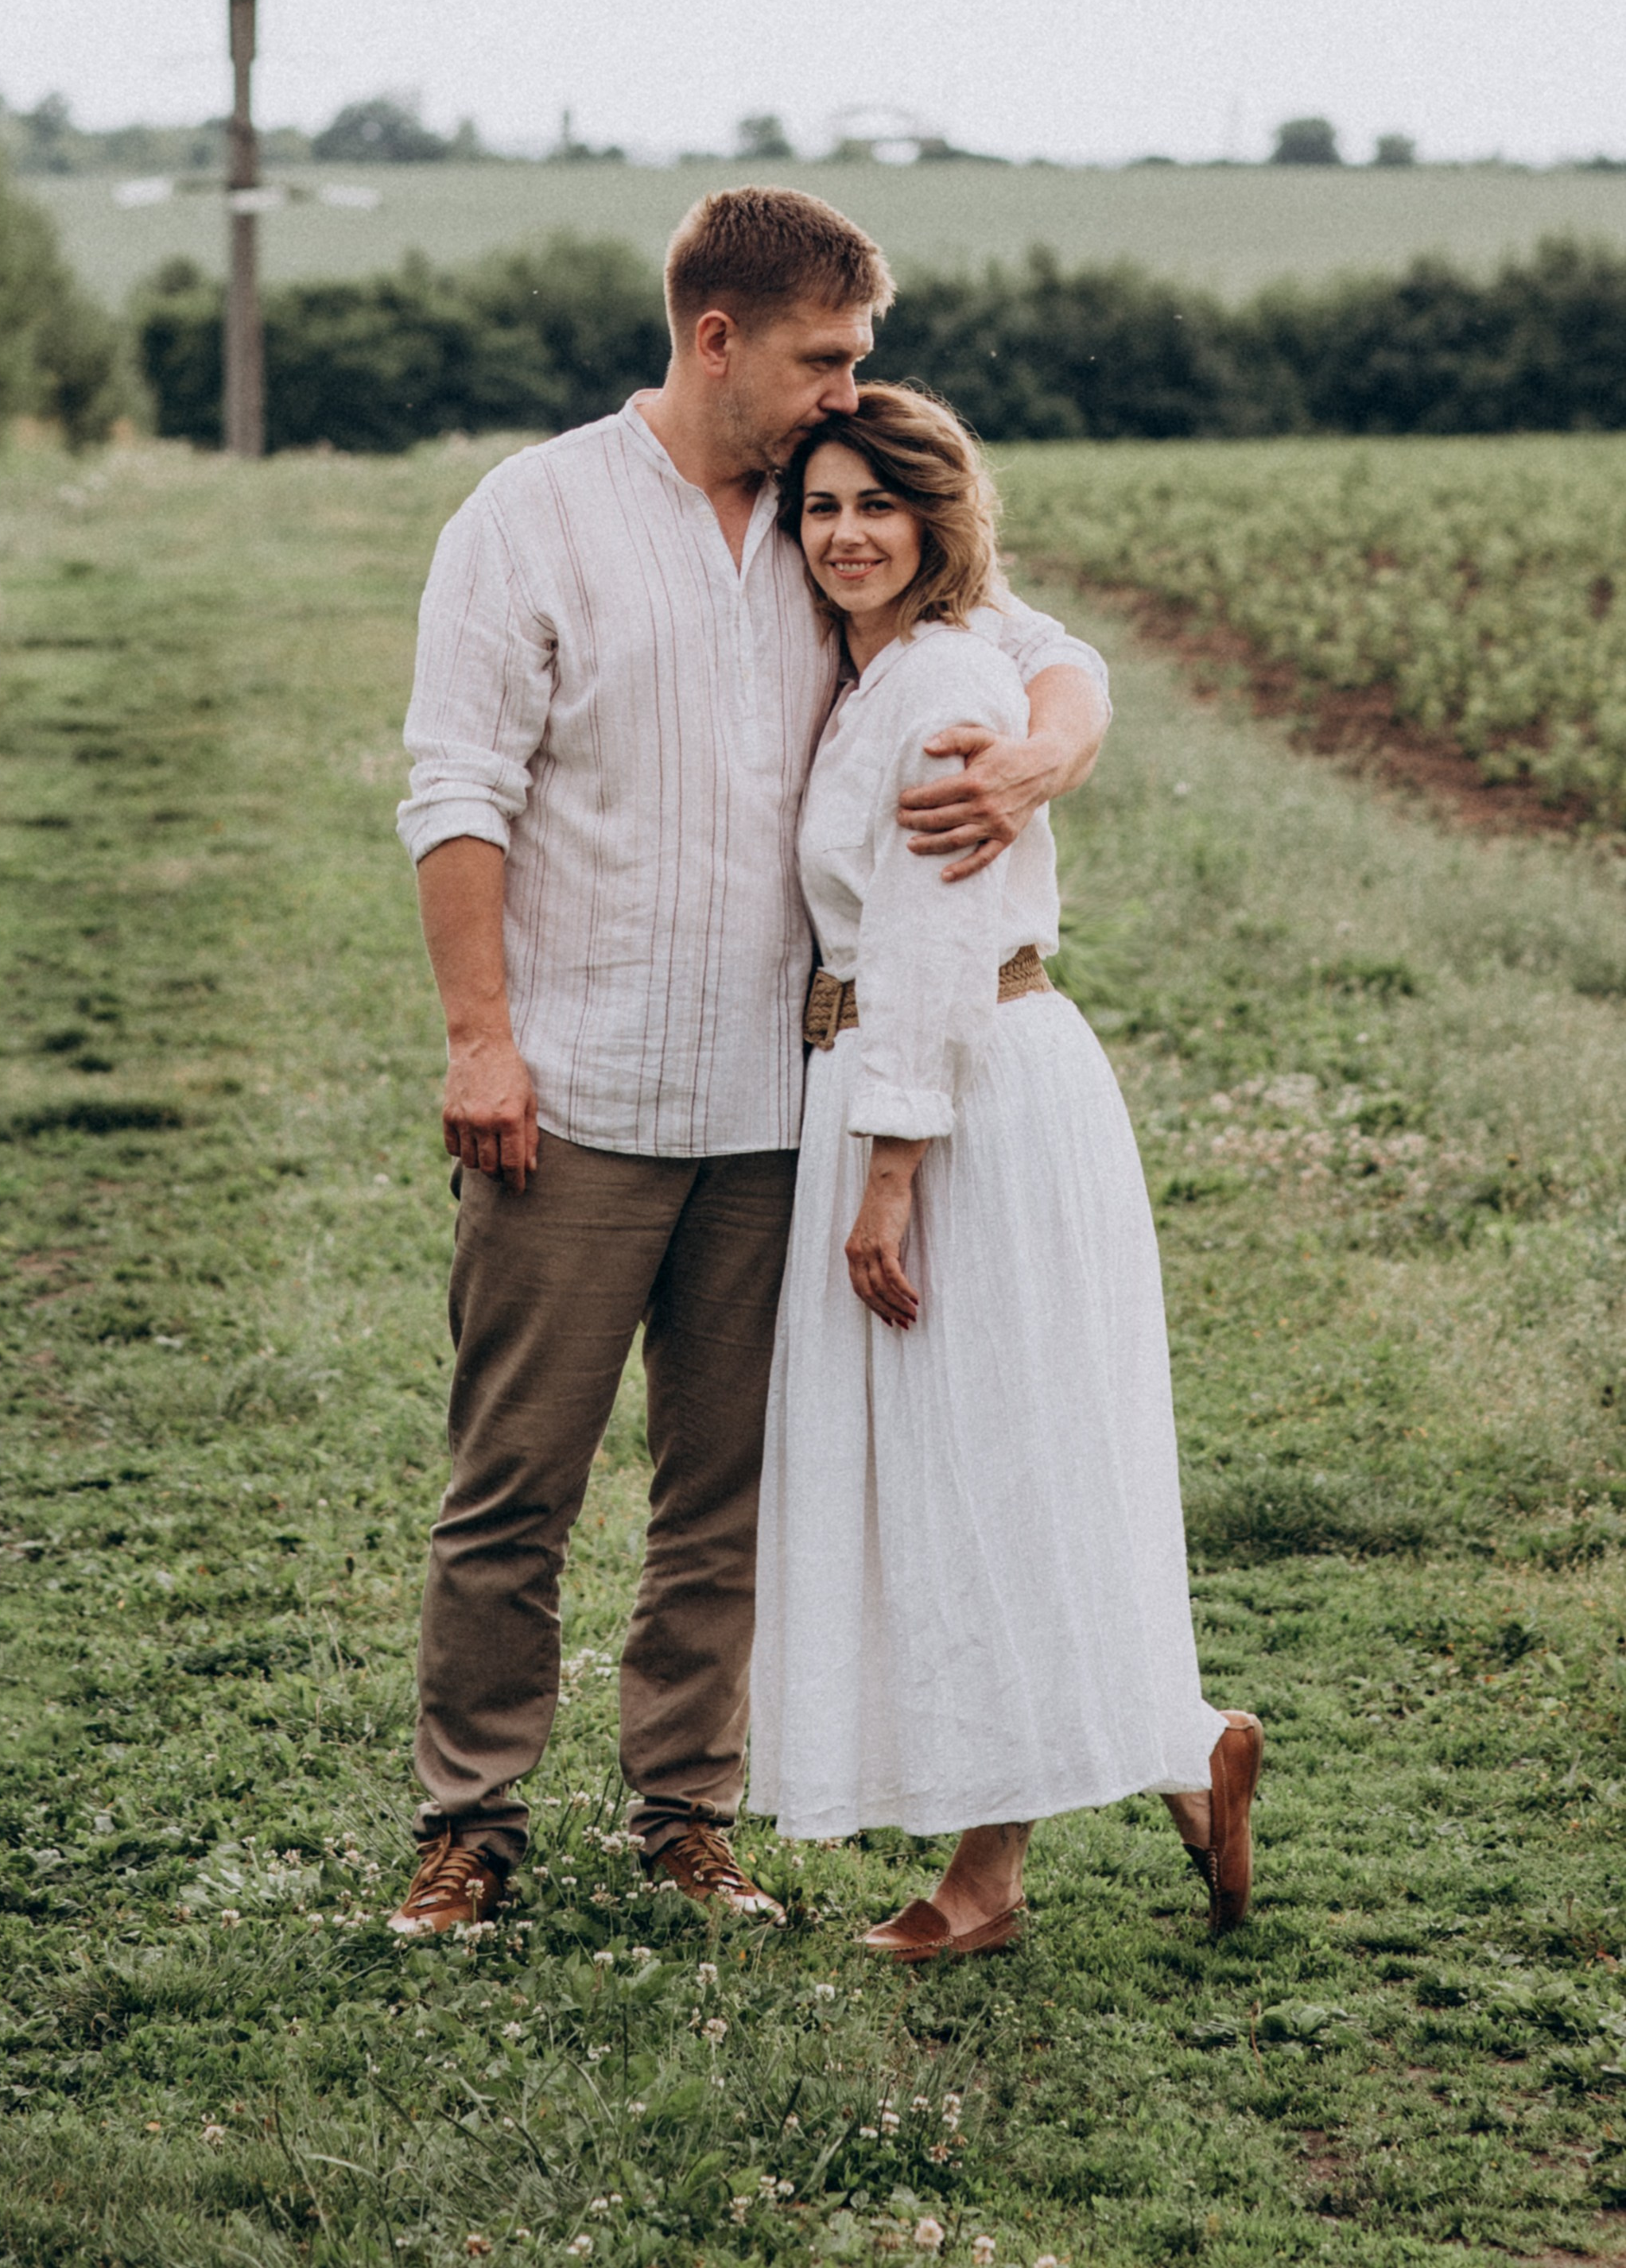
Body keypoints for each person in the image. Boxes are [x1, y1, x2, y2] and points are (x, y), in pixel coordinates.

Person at [385, 188, 1113, 1940]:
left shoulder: (825, 515)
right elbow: (455, 791)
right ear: (718, 337)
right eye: (824, 354)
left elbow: (1042, 651)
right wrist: (481, 1041)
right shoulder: (532, 515)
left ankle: (681, 1816)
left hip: (774, 1112)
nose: (846, 385)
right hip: (571, 1099)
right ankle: (470, 1825)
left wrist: (1037, 764)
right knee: (514, 1489)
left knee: (724, 1498)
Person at [749, 383, 1262, 1956]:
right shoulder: (878, 658)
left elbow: (931, 935)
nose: (841, 534)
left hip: (958, 1087)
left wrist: (889, 1170)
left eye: (872, 507)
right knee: (982, 1452)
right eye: (819, 507)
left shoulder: (946, 684)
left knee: (975, 1458)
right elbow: (1070, 658)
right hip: (906, 1070)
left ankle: (986, 1879)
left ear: (932, 519)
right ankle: (1176, 1752)